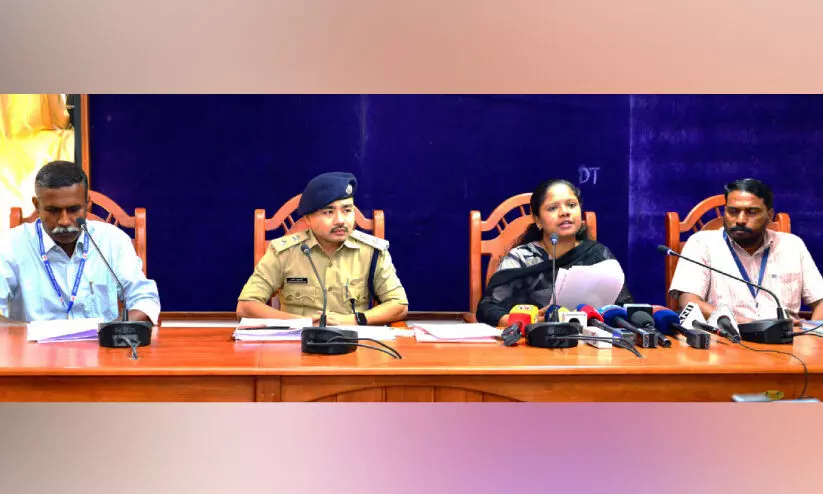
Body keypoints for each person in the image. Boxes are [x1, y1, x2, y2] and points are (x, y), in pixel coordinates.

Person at [236, 172, 408, 326]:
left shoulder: (371, 252)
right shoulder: (284, 252)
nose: (340, 220)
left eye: (347, 210)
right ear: (308, 219)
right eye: (328, 212)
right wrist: (302, 323)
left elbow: (399, 305)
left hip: (354, 343)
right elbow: (246, 306)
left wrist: (353, 320)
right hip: (298, 343)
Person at [0, 161, 161, 323]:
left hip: (101, 339)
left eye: (73, 209)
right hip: (33, 340)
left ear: (87, 204)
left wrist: (113, 330)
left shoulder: (112, 240)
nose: (64, 221)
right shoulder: (11, 245)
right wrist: (21, 334)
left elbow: (145, 300)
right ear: (37, 205)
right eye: (53, 210)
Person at [476, 179, 633, 327]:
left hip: (589, 342)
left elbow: (623, 307)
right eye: (552, 208)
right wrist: (526, 322)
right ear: (538, 220)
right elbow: (488, 308)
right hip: (533, 341)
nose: (565, 212)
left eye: (571, 205)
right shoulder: (522, 258)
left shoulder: (598, 255)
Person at [669, 178, 823, 324]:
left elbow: (821, 300)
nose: (740, 220)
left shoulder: (792, 245)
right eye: (733, 211)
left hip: (788, 337)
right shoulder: (701, 243)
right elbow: (690, 303)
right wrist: (753, 325)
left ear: (769, 215)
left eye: (752, 212)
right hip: (727, 337)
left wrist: (812, 333)